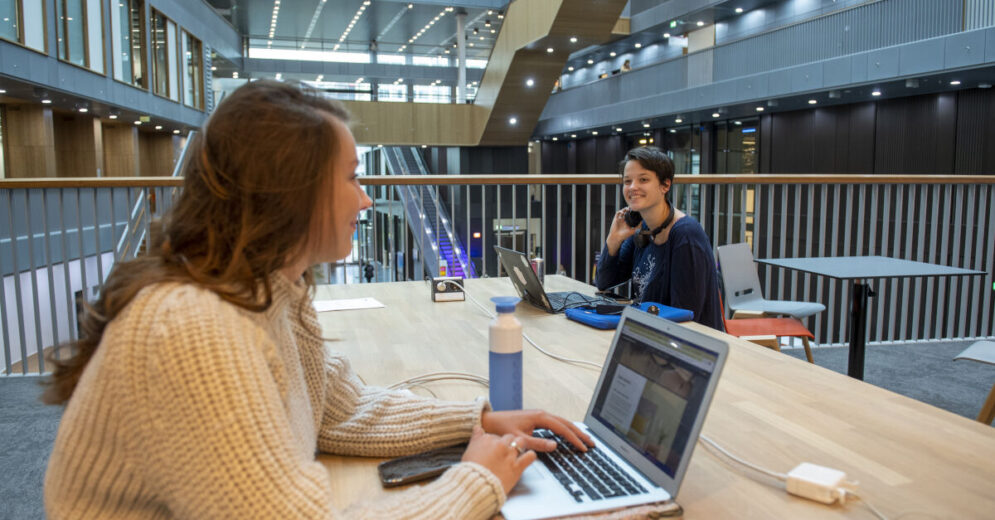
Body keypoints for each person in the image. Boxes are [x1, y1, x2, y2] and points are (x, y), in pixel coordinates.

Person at [42, 80, 592, 519]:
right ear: (291, 192)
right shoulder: (194, 327)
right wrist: (477, 482)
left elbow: (339, 412)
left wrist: (481, 419)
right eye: (352, 178)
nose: (368, 198)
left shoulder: (269, 287)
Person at [595, 146, 724, 331]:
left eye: (643, 180)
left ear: (665, 185)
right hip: (651, 333)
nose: (632, 187)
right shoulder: (643, 229)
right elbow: (604, 282)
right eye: (627, 181)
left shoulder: (686, 236)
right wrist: (613, 240)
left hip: (688, 346)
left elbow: (685, 316)